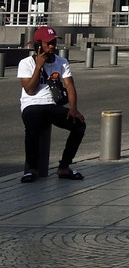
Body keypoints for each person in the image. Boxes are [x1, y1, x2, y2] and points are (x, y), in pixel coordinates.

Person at [18, 25, 86, 182]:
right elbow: (29, 89)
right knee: (32, 128)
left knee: (79, 126)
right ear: (38, 45)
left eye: (54, 43)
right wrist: (38, 67)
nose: (52, 47)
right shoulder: (26, 63)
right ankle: (32, 169)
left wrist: (73, 109)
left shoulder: (61, 62)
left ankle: (64, 167)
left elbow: (69, 85)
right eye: (48, 43)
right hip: (32, 105)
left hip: (52, 105)